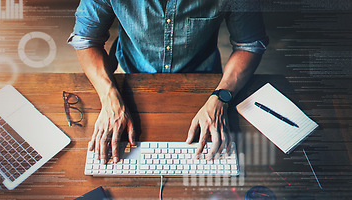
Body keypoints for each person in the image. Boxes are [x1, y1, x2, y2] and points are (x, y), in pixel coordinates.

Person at [68, 0, 268, 163]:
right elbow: (86, 40)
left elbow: (249, 44)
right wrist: (109, 96)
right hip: (133, 77)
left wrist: (222, 95)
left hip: (204, 83)